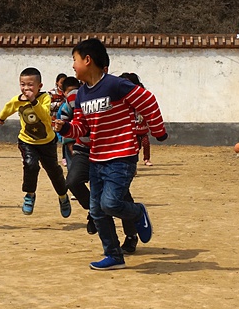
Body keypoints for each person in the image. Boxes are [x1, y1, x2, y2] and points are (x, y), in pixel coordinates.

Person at [55, 38, 168, 271]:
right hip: (96, 158)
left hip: (122, 156)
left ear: (88, 60)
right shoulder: (82, 95)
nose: (73, 67)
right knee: (96, 211)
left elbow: (148, 101)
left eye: (74, 61)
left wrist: (158, 131)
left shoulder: (116, 85)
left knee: (110, 204)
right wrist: (65, 128)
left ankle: (137, 212)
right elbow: (82, 128)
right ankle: (114, 255)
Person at [59, 76, 140, 253]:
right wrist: (68, 139)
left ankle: (131, 234)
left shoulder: (118, 100)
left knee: (121, 196)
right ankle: (93, 212)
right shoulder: (78, 95)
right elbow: (67, 118)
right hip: (84, 150)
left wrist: (131, 160)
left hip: (113, 154)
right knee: (73, 181)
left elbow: (129, 132)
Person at [0, 67, 71, 218]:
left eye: (30, 85)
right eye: (23, 84)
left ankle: (63, 196)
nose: (26, 88)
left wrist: (33, 100)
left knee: (54, 171)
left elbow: (44, 116)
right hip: (27, 141)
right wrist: (2, 118)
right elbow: (8, 107)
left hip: (47, 142)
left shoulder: (44, 99)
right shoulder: (18, 100)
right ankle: (30, 194)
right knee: (30, 165)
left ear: (39, 86)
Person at [121, 72, 152, 166]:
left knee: (146, 144)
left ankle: (146, 159)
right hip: (131, 130)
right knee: (134, 147)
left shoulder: (142, 97)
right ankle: (133, 162)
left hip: (142, 127)